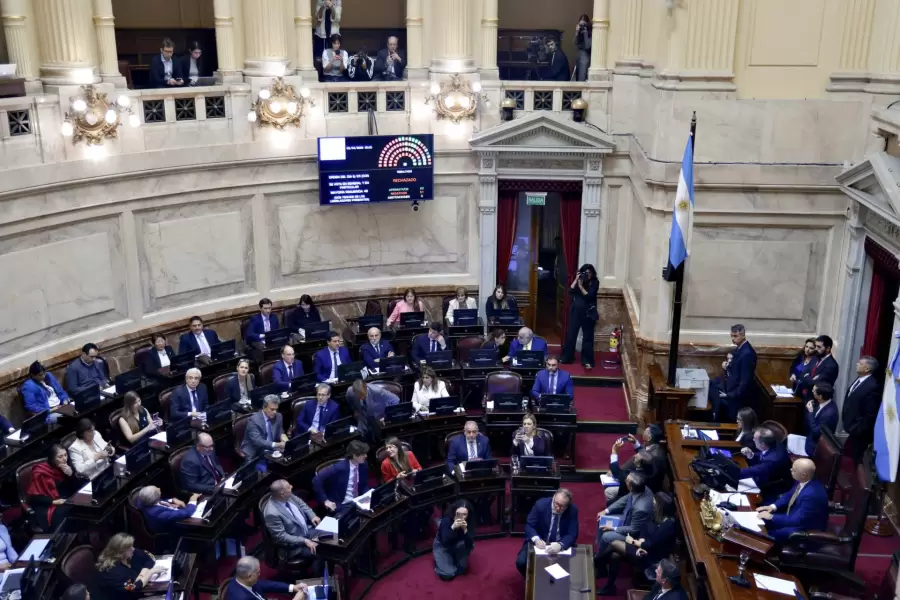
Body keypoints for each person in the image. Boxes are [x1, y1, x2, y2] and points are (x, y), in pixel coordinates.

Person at [598, 492, 678, 596]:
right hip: (642, 547)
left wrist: (633, 541)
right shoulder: (656, 515)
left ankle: (597, 561)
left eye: (654, 504)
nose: (652, 506)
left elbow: (651, 544)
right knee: (615, 556)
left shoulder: (668, 526)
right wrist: (640, 542)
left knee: (614, 544)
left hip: (650, 557)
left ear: (661, 507)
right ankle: (609, 587)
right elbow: (644, 528)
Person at [756, 458, 829, 543]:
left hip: (804, 529)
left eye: (793, 470)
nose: (790, 470)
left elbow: (797, 520)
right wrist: (772, 507)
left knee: (766, 535)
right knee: (761, 519)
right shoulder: (804, 480)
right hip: (794, 515)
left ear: (803, 475)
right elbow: (789, 495)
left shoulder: (812, 495)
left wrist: (772, 517)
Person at [595, 472, 654, 574]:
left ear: (631, 487)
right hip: (626, 519)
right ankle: (601, 554)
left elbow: (634, 530)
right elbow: (626, 498)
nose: (625, 481)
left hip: (633, 535)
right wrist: (606, 511)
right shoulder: (640, 488)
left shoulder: (641, 508)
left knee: (606, 536)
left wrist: (613, 527)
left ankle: (598, 562)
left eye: (627, 481)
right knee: (602, 520)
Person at [516, 489, 579, 575]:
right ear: (553, 498)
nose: (557, 508)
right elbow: (529, 525)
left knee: (572, 568)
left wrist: (561, 545)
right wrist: (536, 539)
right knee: (521, 562)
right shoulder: (541, 505)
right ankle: (531, 581)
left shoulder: (572, 510)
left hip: (559, 546)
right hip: (539, 543)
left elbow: (572, 534)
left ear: (567, 506)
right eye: (556, 503)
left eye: (562, 506)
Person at [94, 533, 168, 599]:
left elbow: (149, 556)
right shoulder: (113, 571)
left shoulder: (128, 555)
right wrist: (150, 572)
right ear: (120, 552)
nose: (133, 549)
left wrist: (142, 575)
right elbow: (132, 588)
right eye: (129, 548)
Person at [263, 480, 322, 563]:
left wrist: (312, 516)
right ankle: (321, 575)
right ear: (282, 494)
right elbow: (281, 536)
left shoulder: (289, 495)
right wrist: (304, 540)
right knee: (320, 553)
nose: (291, 486)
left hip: (307, 531)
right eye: (289, 487)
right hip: (294, 546)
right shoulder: (271, 513)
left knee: (331, 537)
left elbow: (302, 504)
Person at [710, 324, 758, 422]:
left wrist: (729, 395)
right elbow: (735, 370)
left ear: (743, 335)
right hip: (730, 388)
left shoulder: (747, 353)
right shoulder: (739, 349)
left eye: (735, 336)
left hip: (736, 397)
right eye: (731, 336)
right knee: (711, 385)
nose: (732, 339)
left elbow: (745, 381)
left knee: (716, 397)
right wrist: (726, 367)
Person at [27, 444, 80, 532]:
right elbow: (35, 498)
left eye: (65, 455)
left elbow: (76, 487)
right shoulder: (40, 472)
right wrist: (54, 501)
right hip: (47, 503)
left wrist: (71, 475)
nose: (64, 459)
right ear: (52, 458)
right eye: (60, 456)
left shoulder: (66, 466)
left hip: (65, 498)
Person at [606, 424, 666, 501]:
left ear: (649, 438)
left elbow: (617, 474)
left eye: (645, 431)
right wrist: (635, 443)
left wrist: (614, 452)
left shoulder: (647, 461)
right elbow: (645, 452)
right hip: (650, 484)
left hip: (642, 491)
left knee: (609, 492)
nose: (643, 432)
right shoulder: (655, 448)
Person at [312, 440, 370, 516]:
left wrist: (368, 495)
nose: (366, 456)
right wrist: (325, 500)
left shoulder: (363, 465)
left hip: (358, 501)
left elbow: (364, 484)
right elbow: (316, 480)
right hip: (342, 505)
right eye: (363, 454)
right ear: (354, 456)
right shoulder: (338, 468)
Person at [842, 355, 882, 464]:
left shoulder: (872, 386)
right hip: (851, 426)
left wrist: (858, 430)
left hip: (859, 432)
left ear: (867, 369)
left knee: (854, 459)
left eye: (860, 364)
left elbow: (870, 414)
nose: (857, 364)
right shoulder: (860, 379)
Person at [560, 263, 599, 368]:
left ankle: (587, 360)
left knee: (587, 338)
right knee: (571, 335)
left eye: (589, 273)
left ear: (593, 273)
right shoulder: (579, 280)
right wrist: (576, 279)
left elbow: (590, 296)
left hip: (588, 313)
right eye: (585, 272)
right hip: (576, 312)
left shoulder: (594, 282)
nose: (587, 275)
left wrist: (581, 287)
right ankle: (567, 357)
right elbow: (570, 291)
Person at [228, 555, 308, 600]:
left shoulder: (241, 579)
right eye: (258, 573)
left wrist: (293, 587)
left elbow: (266, 584)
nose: (259, 575)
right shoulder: (241, 598)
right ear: (249, 576)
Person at [433, 499, 475, 581]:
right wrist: (453, 528)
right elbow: (445, 541)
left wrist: (465, 531)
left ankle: (452, 559)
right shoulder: (446, 521)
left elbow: (470, 544)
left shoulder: (469, 522)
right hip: (443, 546)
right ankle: (441, 563)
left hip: (458, 544)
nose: (461, 517)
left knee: (462, 569)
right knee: (448, 574)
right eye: (459, 514)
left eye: (464, 514)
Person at [242, 396, 287, 466]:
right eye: (272, 409)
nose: (275, 412)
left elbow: (280, 432)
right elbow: (258, 441)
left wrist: (285, 440)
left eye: (276, 409)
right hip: (255, 450)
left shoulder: (278, 416)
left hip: (272, 450)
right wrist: (277, 444)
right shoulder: (253, 420)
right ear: (264, 407)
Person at [136, 486, 201, 534]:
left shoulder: (143, 499)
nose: (159, 488)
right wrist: (193, 500)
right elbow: (187, 512)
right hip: (175, 528)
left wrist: (171, 500)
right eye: (158, 491)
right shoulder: (160, 514)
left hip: (170, 513)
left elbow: (158, 500)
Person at [797, 335, 839, 400]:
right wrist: (810, 378)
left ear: (828, 348)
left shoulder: (831, 365)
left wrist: (807, 377)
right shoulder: (815, 358)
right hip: (805, 397)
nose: (816, 349)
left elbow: (815, 384)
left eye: (819, 347)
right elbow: (802, 373)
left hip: (817, 401)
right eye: (816, 346)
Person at [804, 382, 839, 457]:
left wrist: (810, 412)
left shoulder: (829, 414)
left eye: (813, 391)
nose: (812, 392)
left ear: (820, 396)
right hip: (810, 439)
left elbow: (816, 432)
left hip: (814, 448)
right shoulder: (825, 402)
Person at [574, 14, 592, 81]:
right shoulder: (579, 31)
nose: (582, 26)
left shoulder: (590, 33)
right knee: (577, 77)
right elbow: (575, 43)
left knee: (582, 78)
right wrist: (577, 32)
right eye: (581, 24)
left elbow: (587, 46)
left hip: (585, 57)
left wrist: (585, 33)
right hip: (578, 56)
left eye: (584, 24)